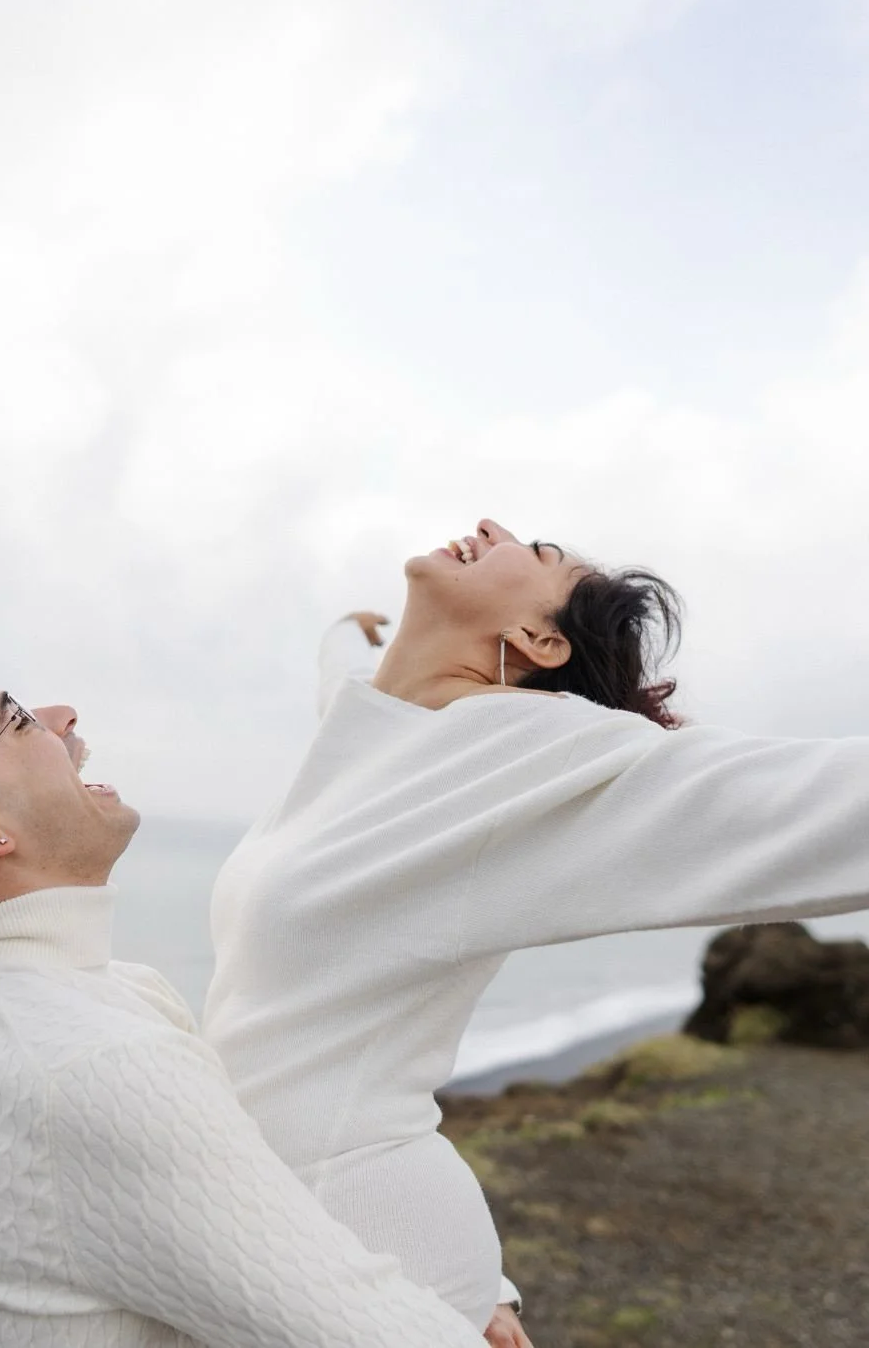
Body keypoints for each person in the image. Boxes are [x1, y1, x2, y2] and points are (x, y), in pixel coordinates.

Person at [202, 515, 869, 1333]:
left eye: (544, 553)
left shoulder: (541, 754)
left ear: (537, 640)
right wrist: (347, 632)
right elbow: (347, 675)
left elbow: (817, 800)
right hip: (264, 1229)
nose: (494, 526)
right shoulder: (368, 727)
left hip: (359, 1239)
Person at [0, 650, 508, 1348]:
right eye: (16, 720)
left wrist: (472, 1295)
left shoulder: (37, 1003)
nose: (61, 715)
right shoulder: (87, 1061)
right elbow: (350, 1323)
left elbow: (269, 1205)